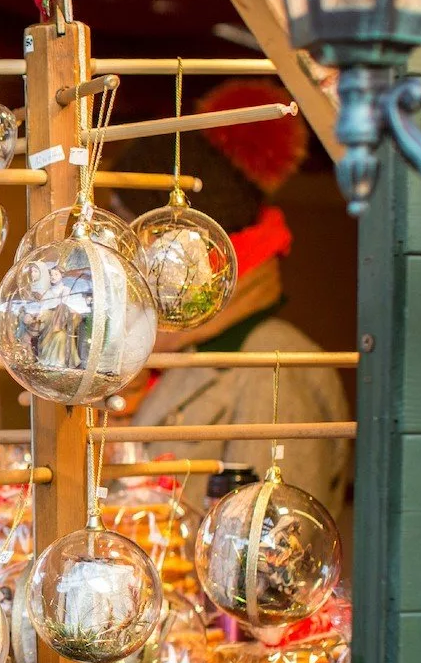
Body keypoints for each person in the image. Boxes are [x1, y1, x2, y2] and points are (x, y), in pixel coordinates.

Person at [110, 80, 351, 519]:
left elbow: (272, 557)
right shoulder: (156, 355)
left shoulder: (274, 366)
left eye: (135, 235)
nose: (122, 256)